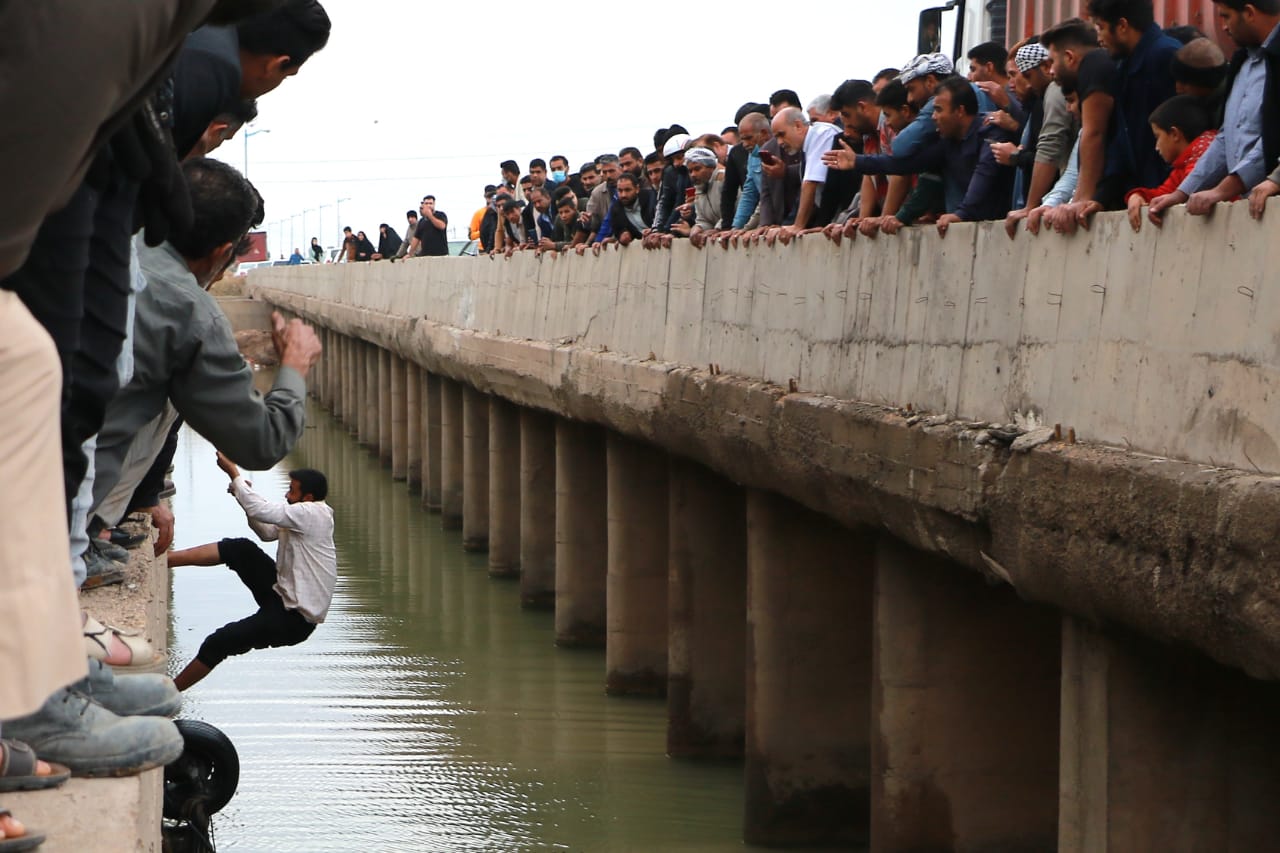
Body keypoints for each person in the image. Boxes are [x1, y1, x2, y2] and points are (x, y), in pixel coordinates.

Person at [169, 452, 335, 691]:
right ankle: (164, 560)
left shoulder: (312, 514)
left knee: (221, 641)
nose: (287, 495)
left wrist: (234, 474)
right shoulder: (303, 515)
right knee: (240, 549)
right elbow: (267, 531)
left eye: (292, 491)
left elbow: (261, 509)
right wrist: (241, 494)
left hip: (292, 620)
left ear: (307, 497)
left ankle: (167, 694)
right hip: (281, 596)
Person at [1152, 0, 1280, 223]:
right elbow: (1225, 139)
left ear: (1249, 12)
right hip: (1254, 211)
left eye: (1226, 16)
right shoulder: (1243, 64)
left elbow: (1271, 139)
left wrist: (1222, 190)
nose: (1222, 27)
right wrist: (1182, 193)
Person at [1125, 95, 1216, 230]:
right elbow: (1166, 193)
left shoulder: (1206, 153)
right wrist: (1138, 196)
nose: (1156, 147)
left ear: (1174, 134)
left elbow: (1194, 189)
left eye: (1157, 137)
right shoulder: (1183, 165)